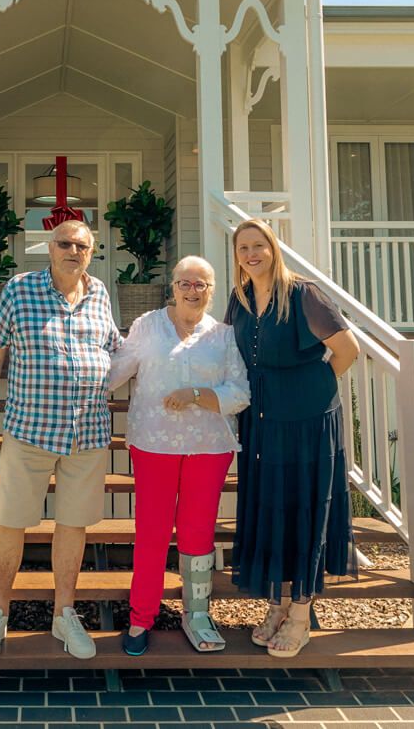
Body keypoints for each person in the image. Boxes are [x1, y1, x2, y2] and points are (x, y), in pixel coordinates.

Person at [0, 219, 120, 663]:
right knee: (11, 522)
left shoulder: (100, 295)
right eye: (65, 244)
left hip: (87, 432)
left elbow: (115, 348)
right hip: (30, 430)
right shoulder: (20, 290)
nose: (73, 251)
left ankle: (64, 612)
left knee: (72, 525)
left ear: (91, 253)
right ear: (49, 249)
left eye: (82, 245)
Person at [224, 218, 361, 658]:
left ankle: (301, 614)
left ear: (273, 247)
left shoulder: (303, 294)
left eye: (258, 245)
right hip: (262, 421)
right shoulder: (240, 298)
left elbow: (347, 351)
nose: (251, 254)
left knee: (302, 509)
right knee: (271, 508)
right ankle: (277, 605)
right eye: (243, 247)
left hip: (307, 421)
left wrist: (311, 396)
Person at [108, 256, 249, 655]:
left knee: (197, 532)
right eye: (185, 283)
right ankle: (141, 617)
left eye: (201, 284)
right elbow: (117, 371)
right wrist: (74, 377)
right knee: (152, 532)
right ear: (172, 286)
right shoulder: (147, 326)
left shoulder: (223, 336)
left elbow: (240, 393)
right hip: (154, 443)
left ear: (212, 290)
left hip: (208, 447)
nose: (192, 291)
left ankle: (198, 615)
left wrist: (197, 396)